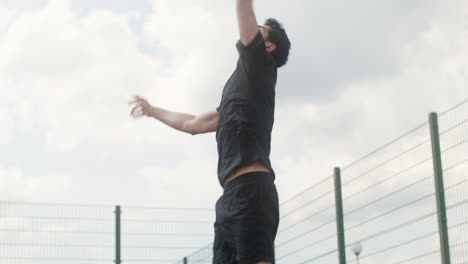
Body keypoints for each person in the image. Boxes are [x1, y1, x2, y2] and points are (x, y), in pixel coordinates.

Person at [129, 1, 290, 263]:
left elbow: (244, 10)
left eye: (261, 29)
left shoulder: (261, 66)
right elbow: (193, 124)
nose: (254, 28)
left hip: (253, 192)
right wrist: (152, 110)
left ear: (269, 46)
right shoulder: (238, 91)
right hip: (229, 198)